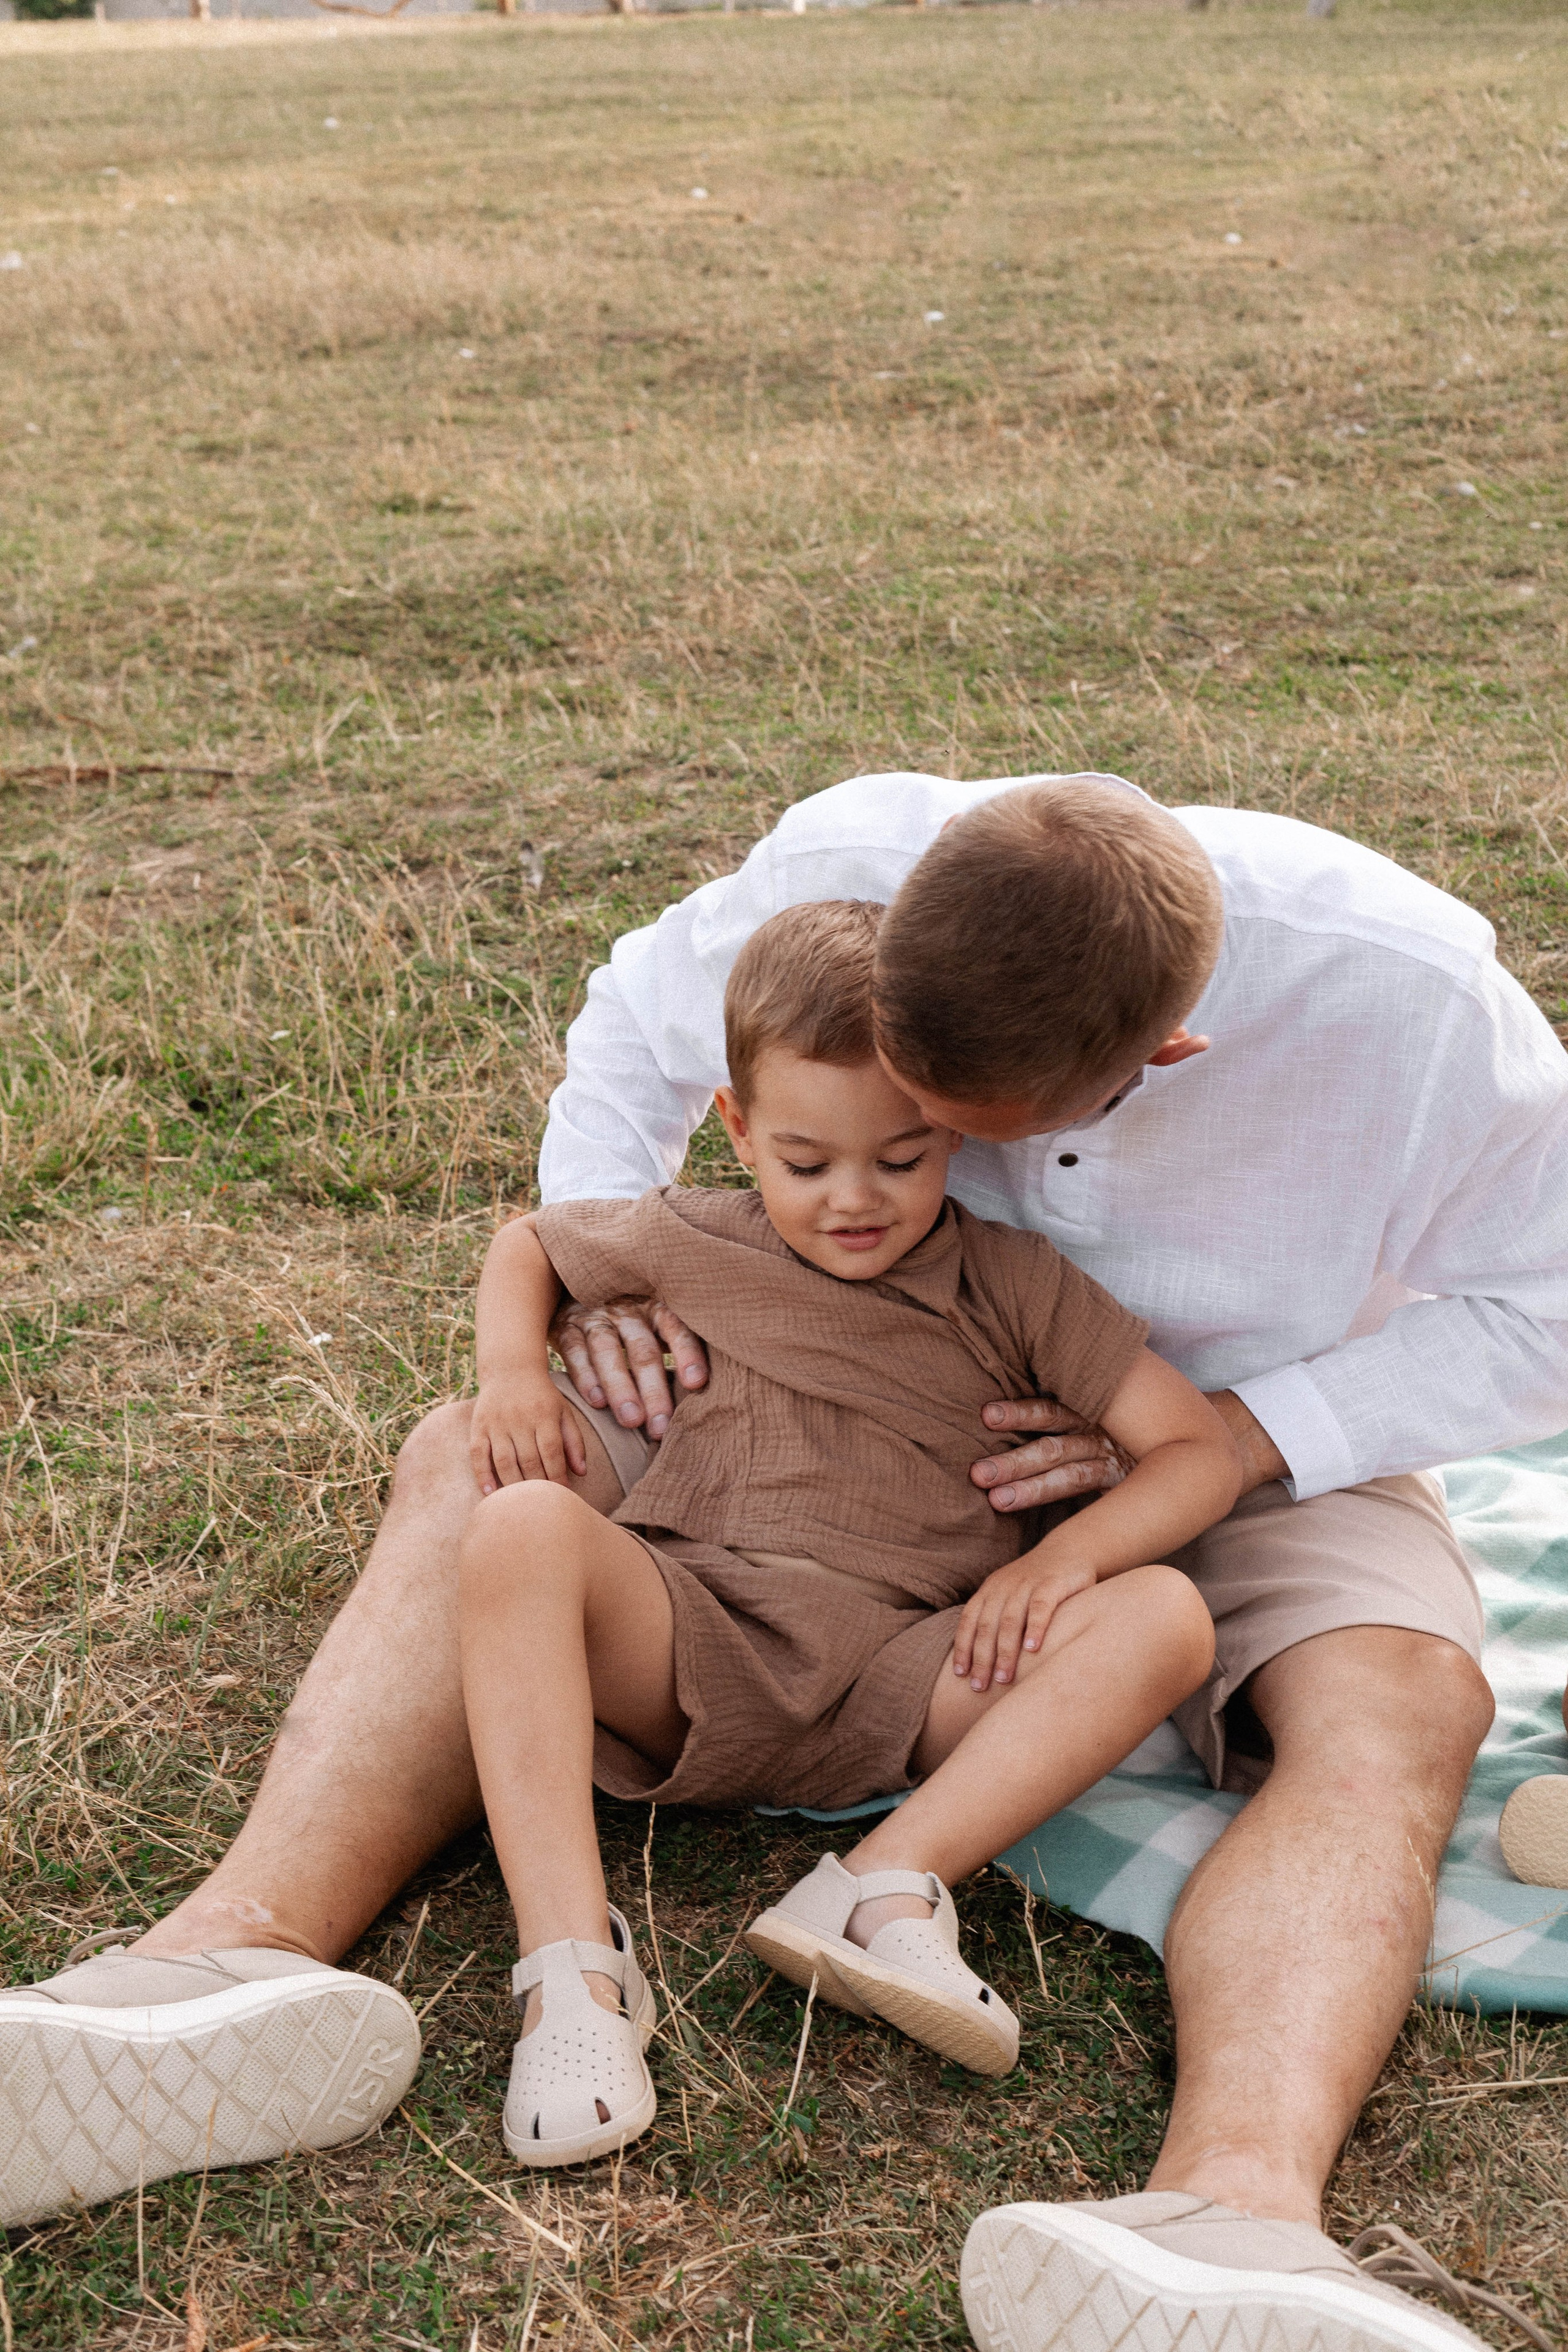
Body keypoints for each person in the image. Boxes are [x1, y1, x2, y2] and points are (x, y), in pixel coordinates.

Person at [2, 774, 1564, 2352]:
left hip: (1216, 1433)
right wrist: (592, 1299)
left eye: (959, 1143)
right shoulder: (843, 865)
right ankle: (220, 1971)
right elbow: (632, 1030)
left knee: (1398, 1702)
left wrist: (1238, 1435)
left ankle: (1232, 2222)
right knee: (472, 1469)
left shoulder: (1414, 1004)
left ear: (1165, 1061)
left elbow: (1552, 1302)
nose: (913, 1168)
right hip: (790, 1383)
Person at [461, 900, 1232, 2164]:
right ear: (738, 1127)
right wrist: (510, 1375)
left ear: (956, 1129)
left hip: (911, 1679)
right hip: (696, 1641)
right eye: (805, 1162)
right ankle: (571, 1974)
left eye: (904, 1156)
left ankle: (876, 1889)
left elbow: (1191, 1447)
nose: (853, 1200)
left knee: (1163, 1613)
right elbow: (528, 1246)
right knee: (520, 1529)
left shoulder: (1010, 1281)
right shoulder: (688, 1237)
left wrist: (1061, 1561)